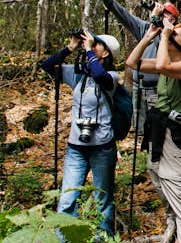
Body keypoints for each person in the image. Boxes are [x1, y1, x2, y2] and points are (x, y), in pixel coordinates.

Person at [90, 0, 178, 238]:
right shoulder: (146, 29)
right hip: (138, 91)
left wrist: (163, 22)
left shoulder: (172, 37)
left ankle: (172, 206)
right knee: (144, 142)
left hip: (157, 95)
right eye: (162, 14)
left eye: (166, 14)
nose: (161, 16)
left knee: (158, 149)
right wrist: (107, 0)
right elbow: (125, 17)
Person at [125, 18, 181, 243]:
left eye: (174, 35)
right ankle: (173, 229)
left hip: (177, 135)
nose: (169, 35)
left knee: (177, 188)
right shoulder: (168, 59)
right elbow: (132, 63)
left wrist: (164, 36)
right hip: (159, 130)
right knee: (156, 174)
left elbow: (162, 67)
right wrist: (150, 35)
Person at [42, 30, 121, 238]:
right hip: (76, 147)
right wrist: (71, 47)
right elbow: (47, 66)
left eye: (97, 45)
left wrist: (89, 51)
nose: (91, 46)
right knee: (67, 199)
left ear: (106, 54)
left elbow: (102, 78)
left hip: (102, 148)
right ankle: (65, 238)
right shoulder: (78, 75)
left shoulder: (112, 76)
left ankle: (103, 239)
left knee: (102, 200)